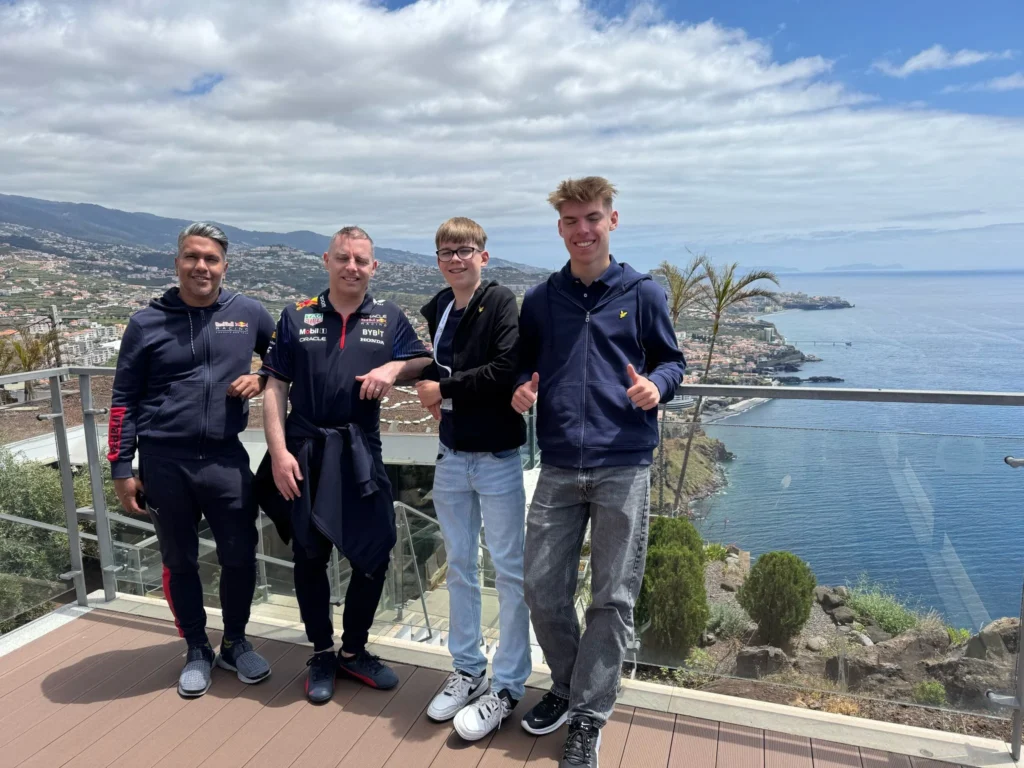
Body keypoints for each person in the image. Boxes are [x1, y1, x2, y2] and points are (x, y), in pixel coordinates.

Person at [511, 178, 686, 768]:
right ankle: (567, 683)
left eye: (592, 218)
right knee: (540, 587)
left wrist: (653, 388)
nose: (582, 230)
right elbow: (523, 365)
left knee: (612, 597)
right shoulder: (541, 300)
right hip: (559, 463)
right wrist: (519, 389)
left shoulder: (643, 293)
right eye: (570, 220)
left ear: (613, 220)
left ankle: (587, 714)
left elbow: (672, 361)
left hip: (623, 465)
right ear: (559, 228)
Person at [255, 226, 432, 704]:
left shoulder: (390, 316)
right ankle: (320, 653)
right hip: (305, 450)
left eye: (361, 260)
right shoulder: (296, 316)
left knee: (375, 549)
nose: (352, 266)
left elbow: (422, 361)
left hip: (359, 451)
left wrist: (392, 368)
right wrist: (277, 453)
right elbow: (274, 387)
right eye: (343, 258)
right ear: (327, 261)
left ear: (374, 267)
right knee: (309, 555)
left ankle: (355, 651)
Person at [108, 222, 276, 698]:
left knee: (240, 557)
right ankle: (197, 648)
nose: (201, 266)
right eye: (192, 257)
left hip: (225, 458)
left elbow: (286, 356)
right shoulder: (146, 323)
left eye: (211, 259)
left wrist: (262, 379)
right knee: (179, 561)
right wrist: (121, 468)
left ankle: (236, 642)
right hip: (165, 462)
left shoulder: (247, 313)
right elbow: (123, 399)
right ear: (177, 262)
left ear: (224, 265)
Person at [414, 217, 530, 740]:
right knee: (459, 564)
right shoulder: (440, 309)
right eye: (446, 252)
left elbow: (506, 368)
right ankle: (467, 669)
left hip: (498, 456)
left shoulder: (500, 301)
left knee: (508, 570)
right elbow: (431, 370)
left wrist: (447, 391)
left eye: (465, 250)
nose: (455, 259)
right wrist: (431, 386)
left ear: (484, 255)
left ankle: (507, 685)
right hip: (452, 454)